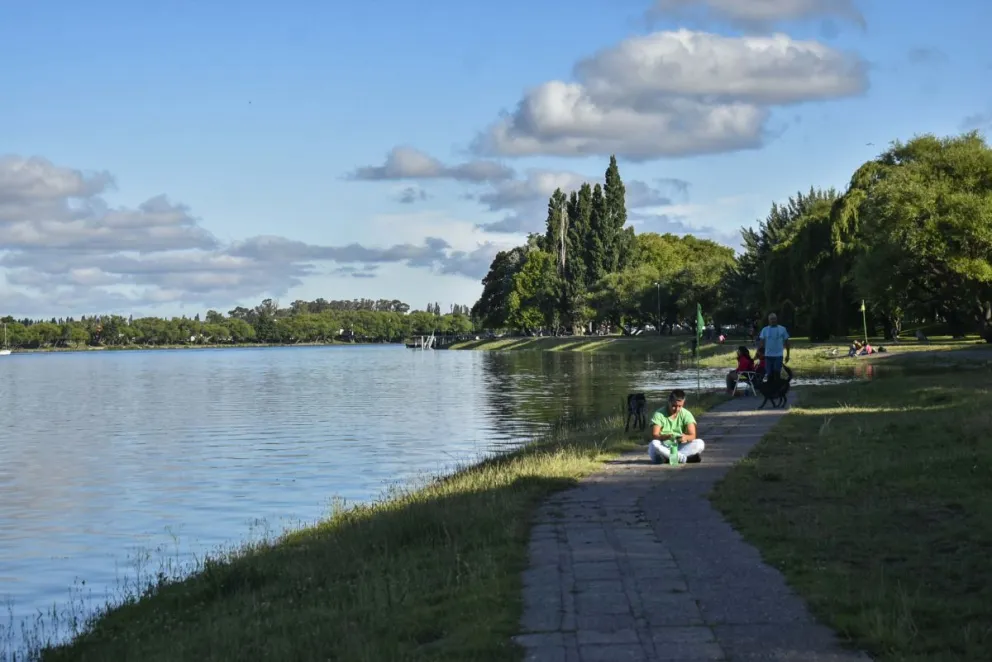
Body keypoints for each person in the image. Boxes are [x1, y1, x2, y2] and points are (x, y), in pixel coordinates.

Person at [647, 389, 705, 464]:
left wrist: (685, 437)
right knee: (654, 444)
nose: (676, 409)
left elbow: (693, 435)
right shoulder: (659, 414)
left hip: (679, 447)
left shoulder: (686, 414)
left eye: (679, 406)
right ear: (669, 402)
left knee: (700, 443)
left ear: (683, 403)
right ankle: (683, 458)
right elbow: (655, 435)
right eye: (674, 406)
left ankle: (671, 458)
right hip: (663, 447)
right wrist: (665, 437)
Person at [757, 313, 790, 378]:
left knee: (776, 373)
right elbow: (761, 343)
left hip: (778, 356)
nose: (773, 321)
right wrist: (758, 352)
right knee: (769, 374)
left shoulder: (782, 329)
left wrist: (788, 355)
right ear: (769, 320)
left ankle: (777, 387)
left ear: (776, 319)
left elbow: (787, 342)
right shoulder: (765, 330)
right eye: (771, 319)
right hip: (768, 356)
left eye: (774, 319)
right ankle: (771, 387)